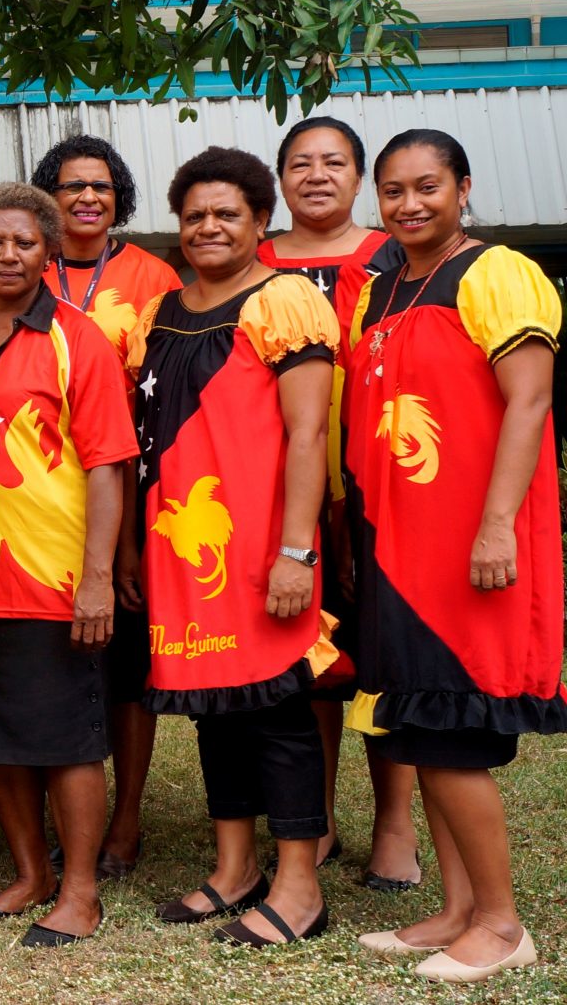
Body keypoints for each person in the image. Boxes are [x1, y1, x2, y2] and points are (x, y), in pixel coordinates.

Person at [345, 129, 564, 983]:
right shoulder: (383, 289)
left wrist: (497, 523)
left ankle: (504, 923)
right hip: (398, 546)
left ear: (463, 188)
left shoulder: (497, 272)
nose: (408, 203)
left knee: (454, 735)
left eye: (427, 186)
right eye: (393, 190)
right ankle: (457, 908)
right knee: (420, 728)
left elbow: (531, 398)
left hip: (469, 545)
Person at [128, 147, 338, 947]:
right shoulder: (163, 311)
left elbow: (309, 432)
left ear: (260, 220)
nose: (209, 226)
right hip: (180, 549)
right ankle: (233, 869)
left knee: (276, 710)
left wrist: (298, 552)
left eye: (228, 213)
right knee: (214, 710)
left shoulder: (284, 301)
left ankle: (300, 885)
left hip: (261, 548)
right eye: (194, 215)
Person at [0, 182, 136, 947]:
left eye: (24, 241)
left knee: (65, 739)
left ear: (48, 251)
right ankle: (30, 872)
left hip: (53, 582)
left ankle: (79, 891)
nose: (8, 253)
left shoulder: (79, 339)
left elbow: (109, 464)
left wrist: (98, 577)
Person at [257, 116, 417, 888]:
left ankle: (395, 823)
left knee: (382, 656)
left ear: (358, 178)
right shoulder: (252, 262)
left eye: (334, 162)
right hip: (277, 494)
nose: (316, 175)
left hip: (376, 485)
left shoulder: (393, 257)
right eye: (299, 163)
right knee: (306, 661)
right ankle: (308, 818)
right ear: (278, 179)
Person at [30, 134, 181, 879]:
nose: (86, 197)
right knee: (57, 657)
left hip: (134, 479)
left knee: (126, 662)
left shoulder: (153, 275)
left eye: (101, 185)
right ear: (46, 199)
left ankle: (126, 819)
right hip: (39, 491)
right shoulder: (29, 262)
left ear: (119, 195)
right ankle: (60, 817)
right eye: (69, 186)